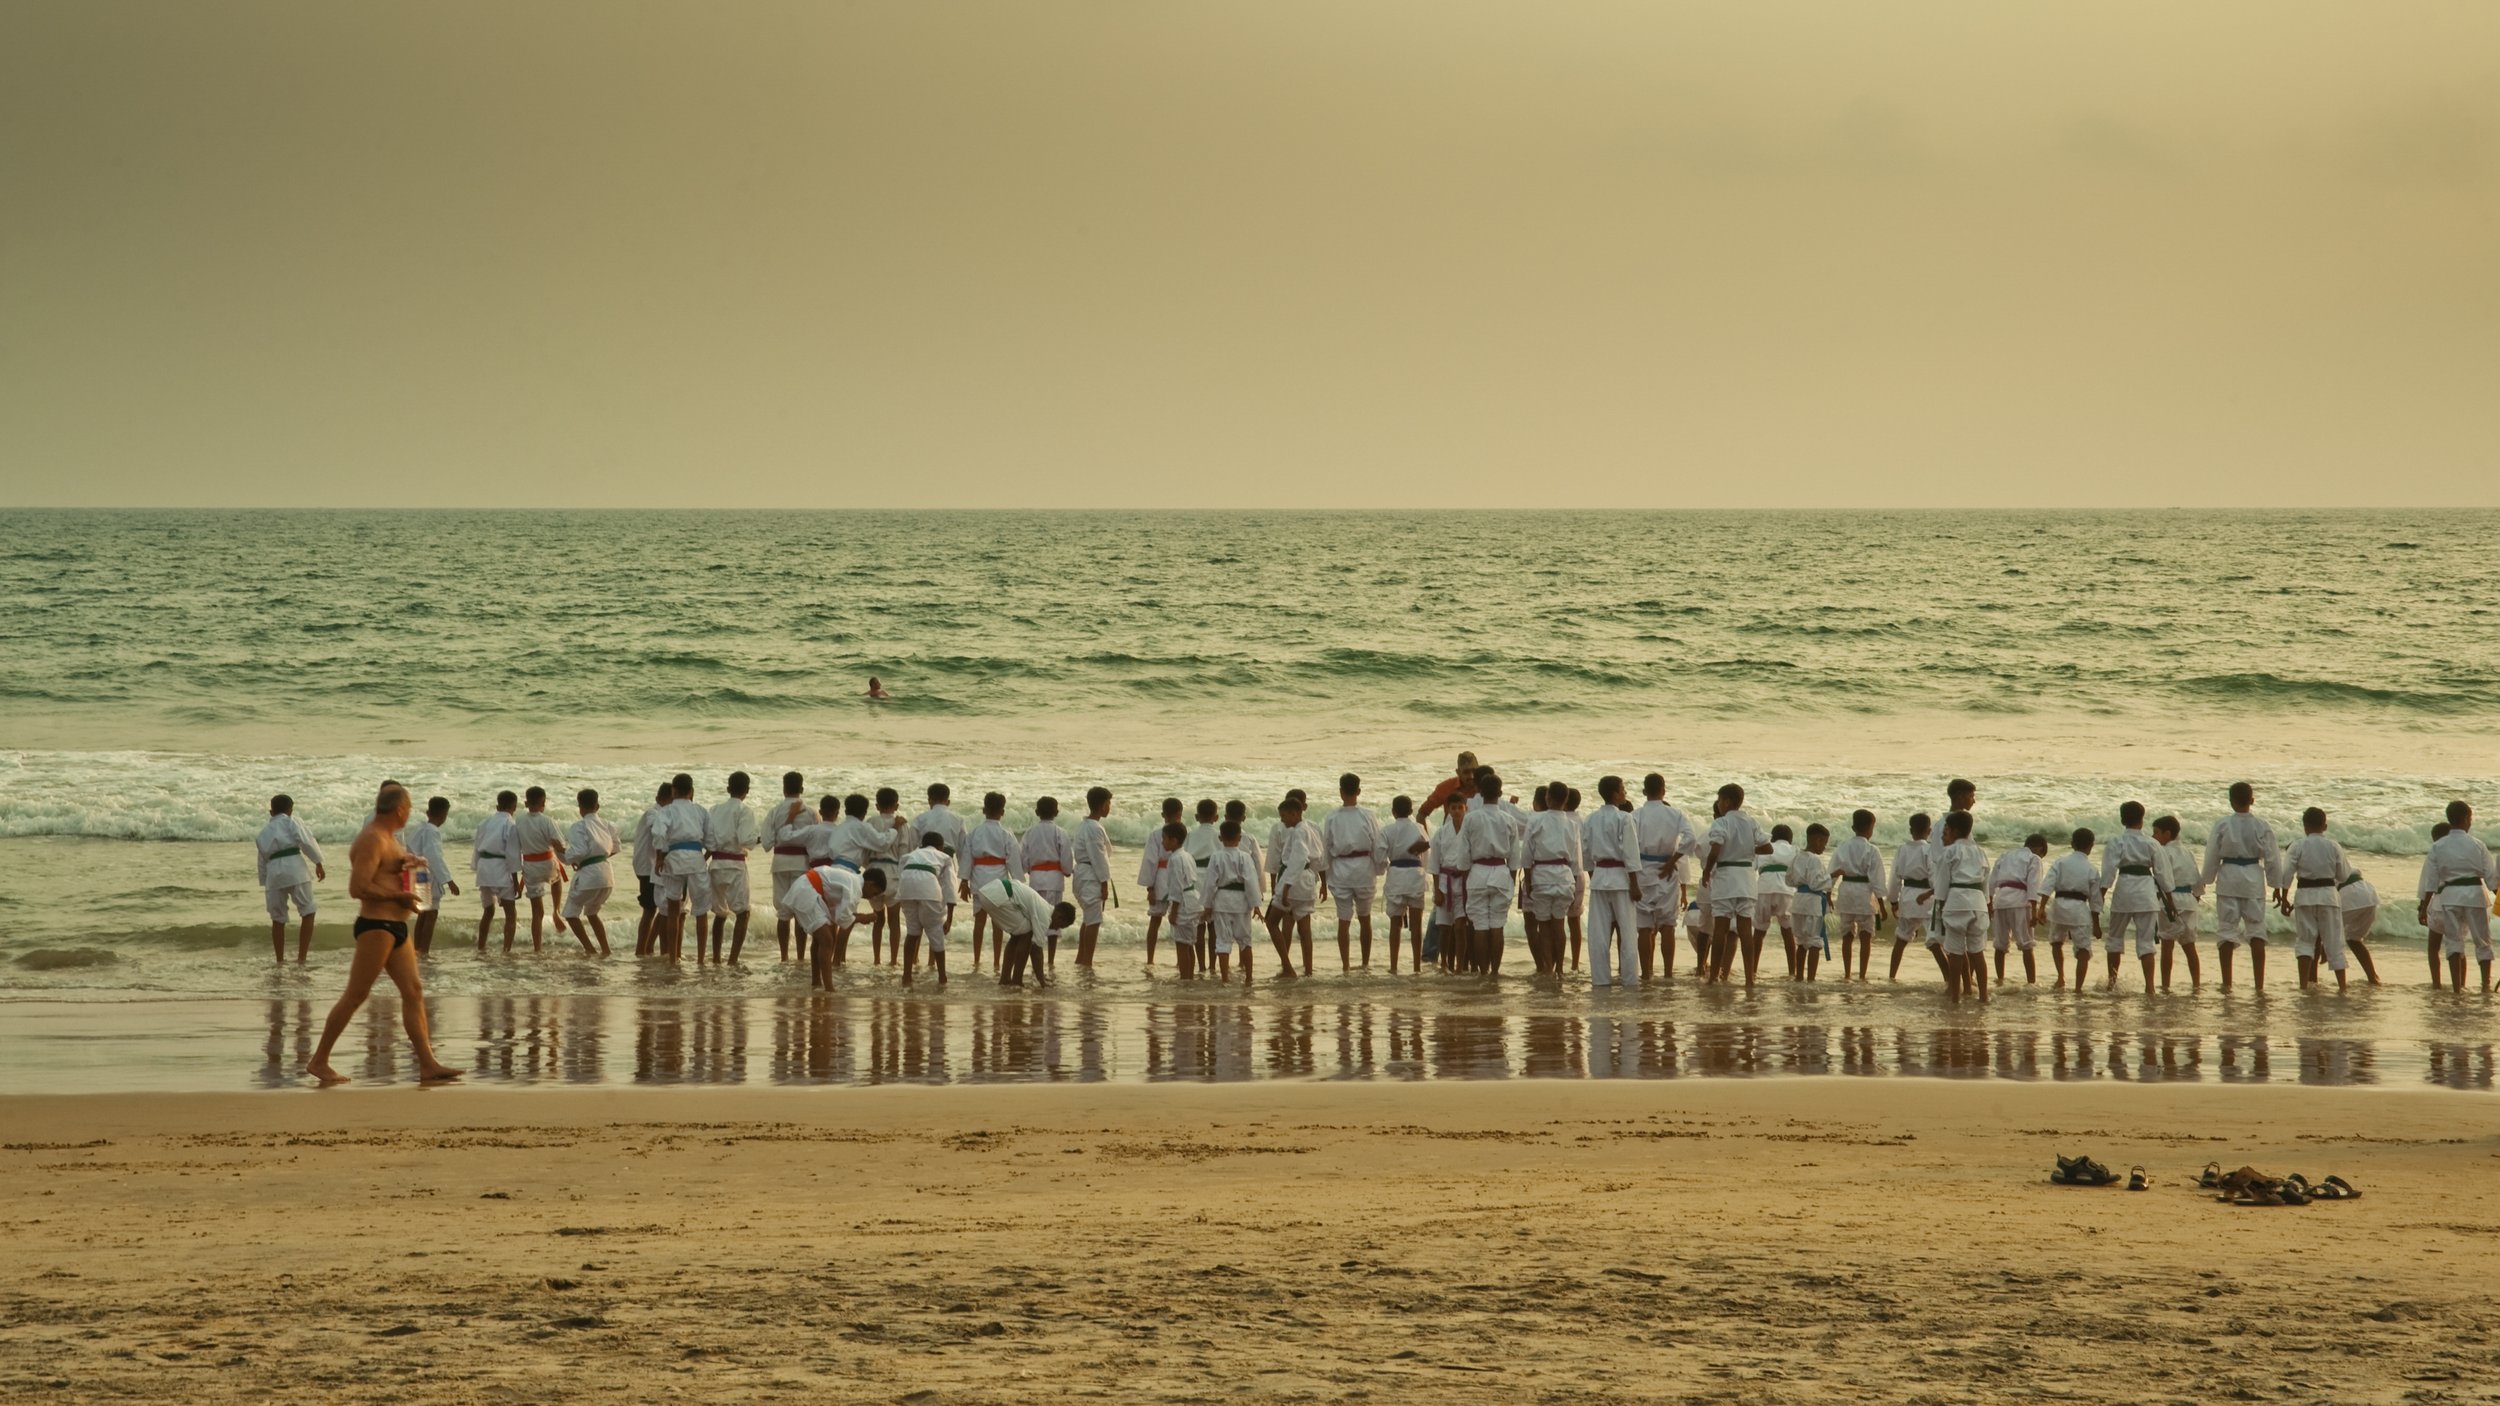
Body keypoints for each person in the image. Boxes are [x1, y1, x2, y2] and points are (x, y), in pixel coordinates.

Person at [304, 782, 461, 1086]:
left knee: (413, 991)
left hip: (397, 928)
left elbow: (388, 875)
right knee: (356, 995)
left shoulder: (390, 839)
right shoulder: (373, 839)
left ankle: (428, 1063)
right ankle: (319, 1060)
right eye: (409, 809)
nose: (410, 814)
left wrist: (411, 867)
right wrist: (397, 897)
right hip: (376, 926)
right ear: (400, 809)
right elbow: (358, 888)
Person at [2201, 782, 2283, 992]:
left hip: (2229, 877)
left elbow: (2212, 855)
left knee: (2227, 929)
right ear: (2252, 800)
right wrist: (2276, 884)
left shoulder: (2222, 825)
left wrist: (2205, 880)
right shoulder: (2262, 825)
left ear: (2231, 801)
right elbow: (2272, 857)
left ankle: (2227, 983)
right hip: (2254, 878)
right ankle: (2259, 986)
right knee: (2256, 930)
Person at [2420, 801, 2496, 993]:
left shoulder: (2438, 846)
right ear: (2465, 819)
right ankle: (2486, 986)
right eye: (2470, 818)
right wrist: (2498, 894)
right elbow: (2491, 878)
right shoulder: (2477, 844)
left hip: (2450, 897)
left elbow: (2431, 880)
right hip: (2475, 896)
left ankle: (2456, 989)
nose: (2470, 822)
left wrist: (2424, 907)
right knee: (2482, 941)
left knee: (2454, 942)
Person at [2277, 807, 2352, 991]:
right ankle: (2342, 987)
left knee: (2305, 942)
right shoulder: (2334, 846)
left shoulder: (2297, 845)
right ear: (2324, 826)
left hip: (2305, 896)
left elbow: (2287, 875)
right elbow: (2343, 875)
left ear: (2304, 827)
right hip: (2328, 896)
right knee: (2334, 942)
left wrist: (2284, 898)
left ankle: (2304, 986)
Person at [1579, 777, 1644, 988]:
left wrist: (1594, 876)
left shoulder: (1590, 819)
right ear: (1615, 794)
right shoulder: (1625, 818)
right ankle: (1629, 979)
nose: (1625, 793)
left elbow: (1586, 854)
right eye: (1623, 789)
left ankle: (1600, 979)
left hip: (1600, 876)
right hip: (1621, 878)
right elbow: (1631, 852)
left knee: (1598, 933)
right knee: (1627, 933)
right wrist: (1634, 883)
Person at [2099, 802, 2166, 993]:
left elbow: (2108, 873)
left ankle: (2112, 984)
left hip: (2124, 891)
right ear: (2142, 820)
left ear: (2122, 820)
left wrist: (2100, 898)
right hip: (2146, 892)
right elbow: (2162, 874)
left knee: (2114, 939)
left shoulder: (2117, 842)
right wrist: (2169, 897)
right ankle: (2150, 987)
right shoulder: (2151, 843)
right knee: (2146, 943)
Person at [1461, 770, 1522, 974]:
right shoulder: (1508, 819)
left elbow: (1463, 855)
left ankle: (1483, 971)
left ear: (1479, 791)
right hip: (1501, 872)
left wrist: (1465, 879)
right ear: (1500, 792)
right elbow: (1514, 857)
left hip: (1477, 872)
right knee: (1497, 925)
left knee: (1479, 925)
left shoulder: (1470, 818)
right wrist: (1511, 881)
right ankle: (1495, 972)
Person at [1699, 785, 1762, 985]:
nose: (1718, 804)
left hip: (1726, 876)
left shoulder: (1722, 822)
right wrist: (1745, 848)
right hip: (1746, 877)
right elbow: (1767, 846)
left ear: (1726, 801)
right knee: (1745, 929)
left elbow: (1715, 849)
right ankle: (1749, 978)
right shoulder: (1751, 822)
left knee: (1721, 928)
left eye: (1719, 800)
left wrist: (1707, 870)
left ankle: (1714, 976)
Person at [255, 793, 326, 964]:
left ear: (271, 812)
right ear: (290, 810)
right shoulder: (292, 822)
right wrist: (318, 862)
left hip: (274, 874)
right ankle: (302, 957)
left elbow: (262, 860)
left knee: (277, 918)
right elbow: (306, 842)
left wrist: (265, 881)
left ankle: (280, 960)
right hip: (295, 869)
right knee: (308, 911)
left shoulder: (263, 833)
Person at [971, 873, 1074, 990]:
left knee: (1017, 936)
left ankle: (1005, 979)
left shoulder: (1043, 907)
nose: (1056, 929)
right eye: (1060, 926)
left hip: (988, 892)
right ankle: (1017, 980)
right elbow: (1036, 951)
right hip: (998, 895)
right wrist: (1042, 981)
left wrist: (1040, 976)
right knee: (1027, 933)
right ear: (1059, 917)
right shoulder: (1045, 916)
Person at [1324, 774, 1385, 971]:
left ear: (1340, 791)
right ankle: (1365, 962)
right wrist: (1378, 869)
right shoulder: (1368, 815)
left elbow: (1326, 849)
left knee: (1344, 920)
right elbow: (1377, 844)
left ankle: (1346, 965)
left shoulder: (1332, 817)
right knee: (1365, 917)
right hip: (1363, 868)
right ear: (1359, 791)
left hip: (1341, 869)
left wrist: (1324, 877)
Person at [1520, 783, 1581, 975]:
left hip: (1542, 876)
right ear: (1565, 800)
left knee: (1544, 926)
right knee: (1559, 925)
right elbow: (1575, 858)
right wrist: (1575, 882)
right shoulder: (1571, 824)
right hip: (1564, 876)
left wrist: (1528, 880)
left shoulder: (1536, 821)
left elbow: (1527, 854)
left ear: (1548, 798)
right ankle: (1560, 969)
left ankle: (1547, 967)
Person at [701, 771, 760, 964]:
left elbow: (708, 839)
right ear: (747, 791)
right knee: (743, 913)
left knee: (719, 913)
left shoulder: (715, 809)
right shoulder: (745, 811)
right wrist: (761, 839)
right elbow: (746, 840)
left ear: (728, 788)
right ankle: (733, 960)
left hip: (716, 865)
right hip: (735, 865)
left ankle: (717, 958)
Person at [1633, 776, 1688, 981]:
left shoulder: (1636, 815)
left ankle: (1646, 974)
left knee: (1645, 927)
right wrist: (1673, 859)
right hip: (1667, 870)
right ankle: (1667, 974)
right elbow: (1689, 838)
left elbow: (1627, 845)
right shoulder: (1675, 814)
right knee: (1667, 926)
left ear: (1644, 791)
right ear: (1664, 791)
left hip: (1643, 870)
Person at [654, 773, 713, 962]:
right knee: (701, 911)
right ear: (691, 791)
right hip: (695, 858)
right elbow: (711, 841)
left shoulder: (666, 811)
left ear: (673, 790)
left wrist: (659, 857)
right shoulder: (701, 811)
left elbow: (658, 834)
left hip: (674, 858)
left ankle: (673, 958)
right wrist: (703, 857)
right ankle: (701, 959)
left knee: (673, 910)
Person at [791, 861, 876, 990]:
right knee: (827, 940)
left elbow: (840, 916)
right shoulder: (856, 887)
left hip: (806, 887)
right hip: (807, 889)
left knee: (821, 939)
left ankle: (816, 982)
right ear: (870, 884)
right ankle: (829, 989)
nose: (872, 897)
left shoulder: (853, 881)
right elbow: (843, 919)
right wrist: (864, 917)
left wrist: (860, 917)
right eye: (875, 893)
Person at [961, 792, 1021, 971]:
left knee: (979, 922)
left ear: (983, 810)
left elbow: (967, 858)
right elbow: (1013, 861)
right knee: (998, 924)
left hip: (979, 877)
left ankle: (977, 959)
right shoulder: (1006, 834)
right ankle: (996, 961)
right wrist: (1018, 883)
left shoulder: (974, 833)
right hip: (999, 880)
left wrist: (964, 881)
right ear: (1002, 812)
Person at [1933, 810, 1989, 1002]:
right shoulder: (1980, 852)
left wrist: (1940, 905)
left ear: (1955, 831)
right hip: (1978, 901)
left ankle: (1956, 996)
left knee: (1955, 952)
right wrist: (1987, 904)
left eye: (1947, 829)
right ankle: (1983, 995)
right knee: (1977, 952)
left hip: (1957, 901)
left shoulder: (1950, 852)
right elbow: (1985, 882)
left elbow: (1942, 884)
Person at [1265, 795, 1321, 978]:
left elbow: (1298, 858)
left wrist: (1287, 886)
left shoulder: (1298, 831)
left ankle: (1287, 966)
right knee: (1305, 930)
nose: (1282, 819)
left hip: (1294, 879)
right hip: (1307, 880)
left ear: (1294, 813)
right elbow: (1318, 856)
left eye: (1283, 815)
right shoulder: (1309, 829)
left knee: (1271, 922)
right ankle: (1309, 970)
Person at [561, 788, 619, 956]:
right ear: (597, 806)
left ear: (580, 807)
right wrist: (594, 857)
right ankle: (606, 950)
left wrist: (563, 852)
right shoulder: (608, 825)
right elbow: (615, 848)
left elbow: (577, 852)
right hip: (607, 874)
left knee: (571, 914)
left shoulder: (579, 826)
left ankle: (590, 949)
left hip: (589, 875)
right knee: (592, 913)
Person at [1206, 819, 1265, 984]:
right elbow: (1251, 882)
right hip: (1241, 902)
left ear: (1220, 838)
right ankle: (1249, 977)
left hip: (1222, 901)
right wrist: (1256, 906)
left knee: (1223, 941)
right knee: (1245, 940)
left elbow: (1210, 883)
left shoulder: (1216, 857)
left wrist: (1207, 905)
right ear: (1240, 838)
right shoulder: (1245, 857)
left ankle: (1225, 979)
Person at [2042, 829, 2102, 990]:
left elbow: (2048, 885)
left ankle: (2060, 977)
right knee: (2083, 950)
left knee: (2056, 942)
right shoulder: (2091, 869)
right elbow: (2095, 900)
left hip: (2059, 906)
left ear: (2072, 844)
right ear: (2091, 846)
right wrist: (2096, 924)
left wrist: (2040, 908)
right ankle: (2078, 988)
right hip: (2079, 910)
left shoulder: (2060, 862)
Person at [894, 832, 957, 986]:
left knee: (913, 932)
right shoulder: (944, 857)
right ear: (940, 847)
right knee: (936, 931)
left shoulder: (909, 856)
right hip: (928, 889)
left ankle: (906, 977)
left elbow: (901, 874)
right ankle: (942, 978)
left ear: (922, 844)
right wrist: (949, 918)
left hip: (906, 889)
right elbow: (950, 886)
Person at [1019, 797, 1074, 971]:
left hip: (1036, 879)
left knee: (1036, 919)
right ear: (1056, 813)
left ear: (1036, 812)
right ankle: (1050, 960)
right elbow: (1066, 858)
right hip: (1054, 879)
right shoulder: (1060, 832)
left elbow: (1024, 857)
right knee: (1054, 920)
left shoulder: (1030, 832)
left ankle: (1037, 958)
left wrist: (1028, 869)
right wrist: (1067, 870)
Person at [1829, 810, 1885, 980]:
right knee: (1865, 936)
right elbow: (1877, 879)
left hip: (1846, 891)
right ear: (1871, 828)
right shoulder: (1872, 850)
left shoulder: (1842, 847)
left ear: (1853, 827)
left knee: (1847, 935)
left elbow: (1832, 872)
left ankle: (1847, 973)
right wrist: (1882, 904)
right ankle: (1862, 975)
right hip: (1864, 894)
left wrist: (1828, 893)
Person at [763, 772, 812, 960]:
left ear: (784, 789)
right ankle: (800, 957)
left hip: (781, 862)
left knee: (783, 913)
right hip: (803, 864)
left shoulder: (775, 811)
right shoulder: (811, 812)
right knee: (800, 911)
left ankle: (784, 957)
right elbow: (814, 841)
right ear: (802, 789)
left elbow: (767, 843)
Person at [513, 786, 568, 952]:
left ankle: (537, 948)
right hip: (548, 862)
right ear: (543, 803)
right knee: (556, 880)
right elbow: (560, 844)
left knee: (536, 912)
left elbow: (515, 847)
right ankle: (557, 911)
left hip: (530, 865)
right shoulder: (547, 821)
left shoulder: (519, 821)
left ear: (526, 803)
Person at [2152, 815, 2203, 991]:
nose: (2154, 837)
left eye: (2156, 833)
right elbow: (2197, 879)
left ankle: (2165, 985)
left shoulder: (2163, 852)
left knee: (2167, 944)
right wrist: (2196, 896)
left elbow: (2160, 878)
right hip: (2189, 900)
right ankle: (2196, 984)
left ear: (2167, 834)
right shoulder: (2187, 852)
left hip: (2170, 900)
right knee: (2189, 946)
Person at [403, 796, 458, 957]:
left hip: (413, 873)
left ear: (428, 812)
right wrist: (449, 881)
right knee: (431, 914)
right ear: (444, 815)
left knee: (423, 913)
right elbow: (433, 857)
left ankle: (417, 950)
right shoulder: (432, 832)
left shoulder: (419, 828)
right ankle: (424, 951)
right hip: (425, 875)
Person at [1151, 823, 1205, 978]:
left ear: (1174, 840)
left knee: (1181, 946)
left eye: (1165, 839)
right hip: (1193, 901)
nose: (1162, 842)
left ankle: (1185, 978)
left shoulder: (1175, 859)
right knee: (1189, 945)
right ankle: (1189, 977)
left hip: (1184, 904)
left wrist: (1174, 912)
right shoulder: (1187, 855)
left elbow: (1176, 888)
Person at [1887, 812, 1937, 980]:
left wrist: (1893, 901)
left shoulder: (1902, 849)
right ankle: (1948, 977)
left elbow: (1894, 878)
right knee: (1935, 942)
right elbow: (1934, 877)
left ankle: (1892, 976)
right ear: (1929, 830)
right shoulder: (1930, 849)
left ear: (1910, 830)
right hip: (1926, 899)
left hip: (1907, 898)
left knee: (1901, 939)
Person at [472, 790, 522, 953]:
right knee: (510, 913)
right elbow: (513, 854)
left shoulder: (485, 822)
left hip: (484, 868)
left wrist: (476, 868)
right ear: (514, 807)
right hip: (501, 868)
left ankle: (481, 947)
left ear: (497, 806)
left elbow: (476, 848)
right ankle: (506, 950)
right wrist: (516, 881)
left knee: (488, 911)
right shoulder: (510, 824)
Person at [1139, 797, 1186, 966]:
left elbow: (1150, 861)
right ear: (1180, 814)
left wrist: (1150, 888)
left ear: (1163, 815)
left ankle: (1150, 959)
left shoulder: (1156, 835)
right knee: (1178, 921)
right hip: (1178, 880)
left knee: (1155, 920)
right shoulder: (1184, 833)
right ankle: (1180, 961)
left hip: (1160, 878)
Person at [1073, 786, 1114, 967]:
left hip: (1084, 875)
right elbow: (1098, 857)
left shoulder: (1087, 825)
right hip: (1090, 876)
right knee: (1094, 921)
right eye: (1108, 803)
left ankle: (1082, 958)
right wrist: (1104, 883)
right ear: (1102, 805)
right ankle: (1086, 961)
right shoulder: (1093, 828)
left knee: (1088, 919)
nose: (1109, 807)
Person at [1430, 796, 1471, 973]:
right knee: (1444, 928)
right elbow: (1434, 863)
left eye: (1459, 808)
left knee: (1461, 927)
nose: (1456, 811)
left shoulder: (1469, 831)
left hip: (1464, 882)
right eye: (1452, 808)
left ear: (1465, 809)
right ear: (1447, 810)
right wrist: (1437, 890)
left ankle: (1460, 966)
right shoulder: (1441, 833)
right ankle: (1445, 963)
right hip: (1445, 882)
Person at [630, 780, 671, 956]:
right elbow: (657, 830)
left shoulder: (660, 813)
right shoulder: (653, 813)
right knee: (651, 909)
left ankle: (653, 947)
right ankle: (643, 949)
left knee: (659, 908)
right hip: (648, 866)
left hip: (650, 865)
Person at [1789, 824, 1834, 981]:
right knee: (1814, 942)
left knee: (1801, 942)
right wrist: (1831, 877)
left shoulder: (1797, 857)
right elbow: (1816, 884)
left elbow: (1789, 879)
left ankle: (1799, 977)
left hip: (1798, 900)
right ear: (1817, 840)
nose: (1824, 847)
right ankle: (1811, 979)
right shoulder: (1814, 860)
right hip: (1812, 902)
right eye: (1824, 843)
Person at [2335, 849, 2384, 986]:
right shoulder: (2333, 853)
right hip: (2369, 894)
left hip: (2349, 895)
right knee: (2354, 939)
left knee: (2321, 934)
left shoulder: (2317, 863)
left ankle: (2311, 980)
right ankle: (2373, 978)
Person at [1756, 824, 1796, 977]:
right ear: (1790, 839)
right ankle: (1793, 971)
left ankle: (1752, 969)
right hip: (1786, 890)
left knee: (1759, 931)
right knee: (1787, 931)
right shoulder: (1794, 850)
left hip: (1764, 888)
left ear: (1772, 837)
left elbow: (1753, 867)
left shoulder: (1764, 848)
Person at [2419, 823, 2454, 989]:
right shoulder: (2463, 849)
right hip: (2464, 901)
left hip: (2440, 903)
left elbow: (2427, 882)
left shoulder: (2435, 851)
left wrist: (2422, 907)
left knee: (2433, 947)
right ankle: (2459, 984)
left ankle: (2436, 984)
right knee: (2457, 947)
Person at [1418, 750, 1479, 823]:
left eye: (1474, 771)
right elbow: (1421, 814)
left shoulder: (1487, 788)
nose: (1471, 776)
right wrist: (1425, 834)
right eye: (1466, 772)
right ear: (1458, 772)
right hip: (1450, 833)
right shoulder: (1445, 788)